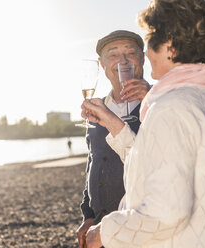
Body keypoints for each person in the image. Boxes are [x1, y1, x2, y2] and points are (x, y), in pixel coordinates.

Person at [82, 0, 205, 247]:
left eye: (150, 38)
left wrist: (105, 232)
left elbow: (165, 214)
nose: (146, 51)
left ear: (169, 46)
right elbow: (149, 162)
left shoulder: (171, 107)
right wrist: (113, 123)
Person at [76, 30, 150, 248]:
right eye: (113, 55)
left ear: (143, 59)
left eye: (130, 53)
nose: (123, 61)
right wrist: (88, 215)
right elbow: (93, 162)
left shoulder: (159, 104)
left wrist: (151, 100)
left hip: (139, 232)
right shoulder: (97, 109)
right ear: (101, 64)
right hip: (99, 233)